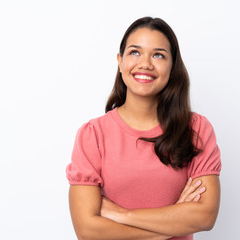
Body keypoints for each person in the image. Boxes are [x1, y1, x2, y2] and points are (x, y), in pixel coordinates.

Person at [65, 16, 222, 240]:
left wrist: (122, 214)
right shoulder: (93, 135)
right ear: (120, 61)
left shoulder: (196, 129)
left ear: (172, 65)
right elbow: (88, 231)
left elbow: (205, 216)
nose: (145, 63)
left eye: (158, 55)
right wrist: (173, 220)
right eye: (135, 52)